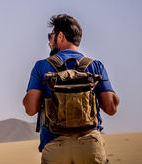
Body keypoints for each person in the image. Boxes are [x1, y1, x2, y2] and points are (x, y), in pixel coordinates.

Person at [23, 14, 119, 164]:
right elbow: (111, 108)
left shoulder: (41, 66)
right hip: (89, 145)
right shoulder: (96, 66)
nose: (49, 42)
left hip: (55, 146)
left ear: (60, 36)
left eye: (50, 36)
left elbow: (30, 109)